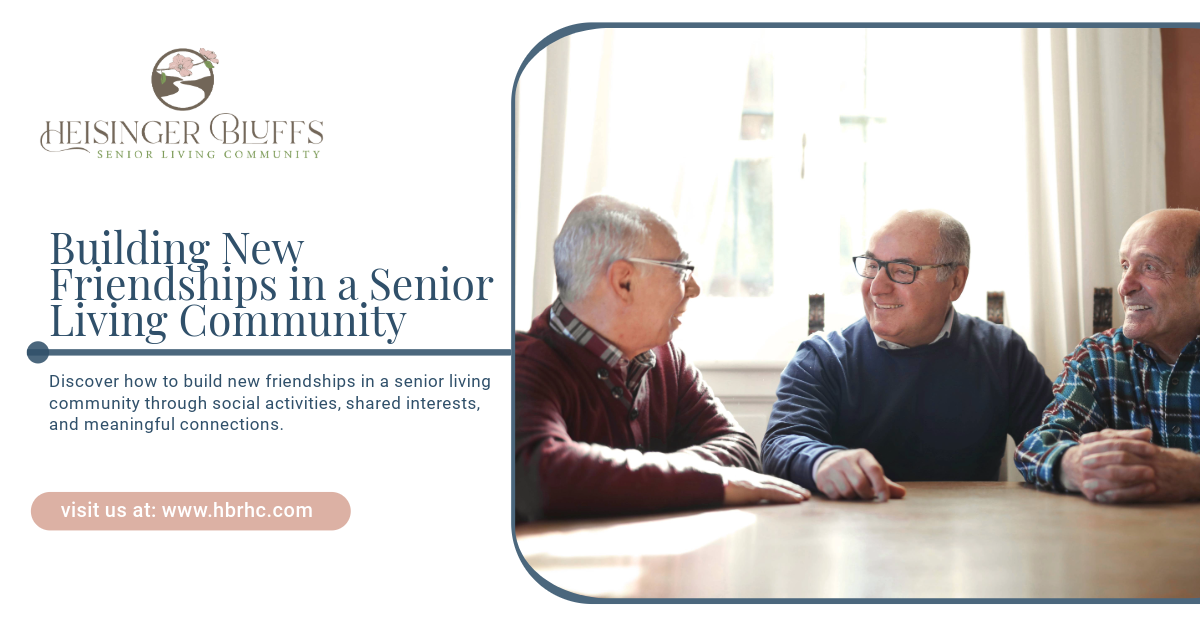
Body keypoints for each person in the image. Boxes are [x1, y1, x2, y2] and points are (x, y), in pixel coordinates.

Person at [516, 195, 809, 521]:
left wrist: (654, 478)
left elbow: (737, 448)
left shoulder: (664, 357)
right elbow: (536, 474)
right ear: (624, 281)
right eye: (681, 270)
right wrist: (702, 479)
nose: (695, 288)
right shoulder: (523, 366)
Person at [763, 210, 1053, 501]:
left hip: (967, 535)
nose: (876, 288)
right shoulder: (824, 357)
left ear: (955, 282)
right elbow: (781, 442)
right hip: (856, 533)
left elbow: (1052, 436)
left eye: (902, 271)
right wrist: (821, 460)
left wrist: (1072, 462)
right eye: (873, 266)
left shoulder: (1003, 353)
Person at [1016, 208, 1200, 503]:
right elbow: (1037, 445)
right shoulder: (1098, 357)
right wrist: (1076, 464)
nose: (1125, 286)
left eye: (1150, 267)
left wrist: (1191, 474)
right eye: (1125, 265)